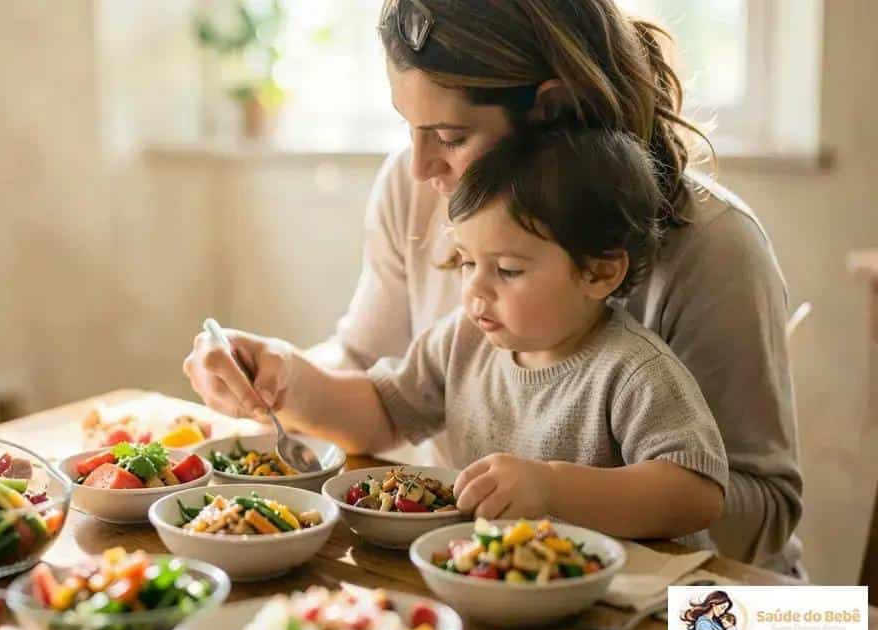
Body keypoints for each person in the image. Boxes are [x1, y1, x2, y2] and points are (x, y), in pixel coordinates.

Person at [184, 0, 801, 573]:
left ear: (550, 113)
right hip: (489, 576)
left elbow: (756, 514)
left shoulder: (714, 248)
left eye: (451, 137)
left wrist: (557, 499)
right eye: (409, 125)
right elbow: (374, 380)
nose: (421, 165)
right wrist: (281, 374)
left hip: (718, 614)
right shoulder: (418, 185)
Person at [193, 125, 729, 542]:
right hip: (496, 589)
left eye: (509, 270)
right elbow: (381, 415)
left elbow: (695, 494)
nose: (475, 292)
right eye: (466, 262)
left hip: (637, 610)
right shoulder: (464, 340)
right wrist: (284, 376)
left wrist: (553, 488)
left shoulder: (632, 370)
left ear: (598, 272)